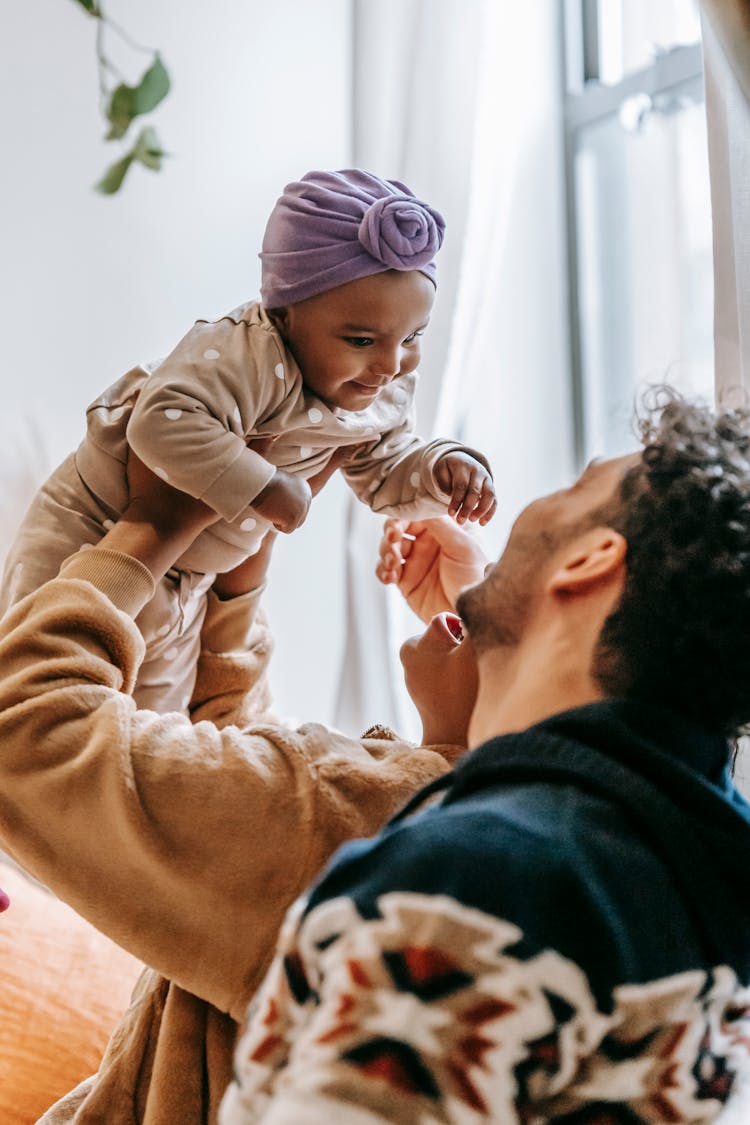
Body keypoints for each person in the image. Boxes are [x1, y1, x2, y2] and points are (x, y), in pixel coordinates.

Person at [219, 393, 750, 1123]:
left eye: (575, 487)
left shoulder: (469, 887)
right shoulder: (697, 880)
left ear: (593, 558)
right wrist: (500, 624)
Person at [0, 450, 473, 1124]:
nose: (481, 584)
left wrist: (154, 525)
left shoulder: (377, 820)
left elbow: (25, 728)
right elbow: (245, 792)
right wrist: (244, 567)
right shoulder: (468, 824)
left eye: (514, 574)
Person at [0, 168, 496, 712]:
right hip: (94, 531)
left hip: (196, 583)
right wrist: (266, 485)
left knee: (149, 734)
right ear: (282, 315)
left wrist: (440, 467)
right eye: (360, 339)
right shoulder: (244, 353)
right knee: (37, 692)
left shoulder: (379, 383)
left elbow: (383, 469)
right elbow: (161, 421)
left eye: (413, 337)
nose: (389, 364)